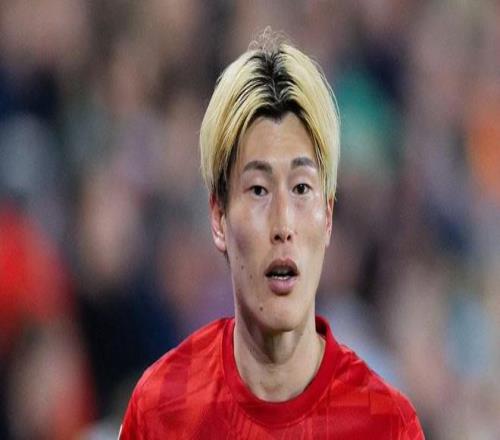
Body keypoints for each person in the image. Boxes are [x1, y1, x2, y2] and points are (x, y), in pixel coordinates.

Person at [120, 31, 424, 439]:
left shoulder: (385, 423)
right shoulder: (161, 407)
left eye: (301, 188)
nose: (283, 225)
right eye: (259, 190)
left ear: (328, 216)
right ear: (218, 217)